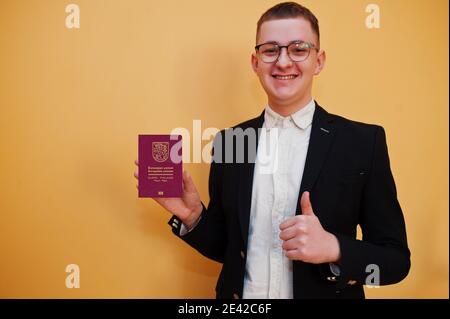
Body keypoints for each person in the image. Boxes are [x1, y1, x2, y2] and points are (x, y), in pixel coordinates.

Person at [134, 2, 410, 299]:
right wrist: (193, 217)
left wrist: (334, 247)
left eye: (298, 48)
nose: (283, 61)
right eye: (270, 50)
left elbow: (395, 262)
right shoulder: (229, 141)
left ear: (319, 61)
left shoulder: (362, 142)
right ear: (255, 63)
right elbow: (231, 251)